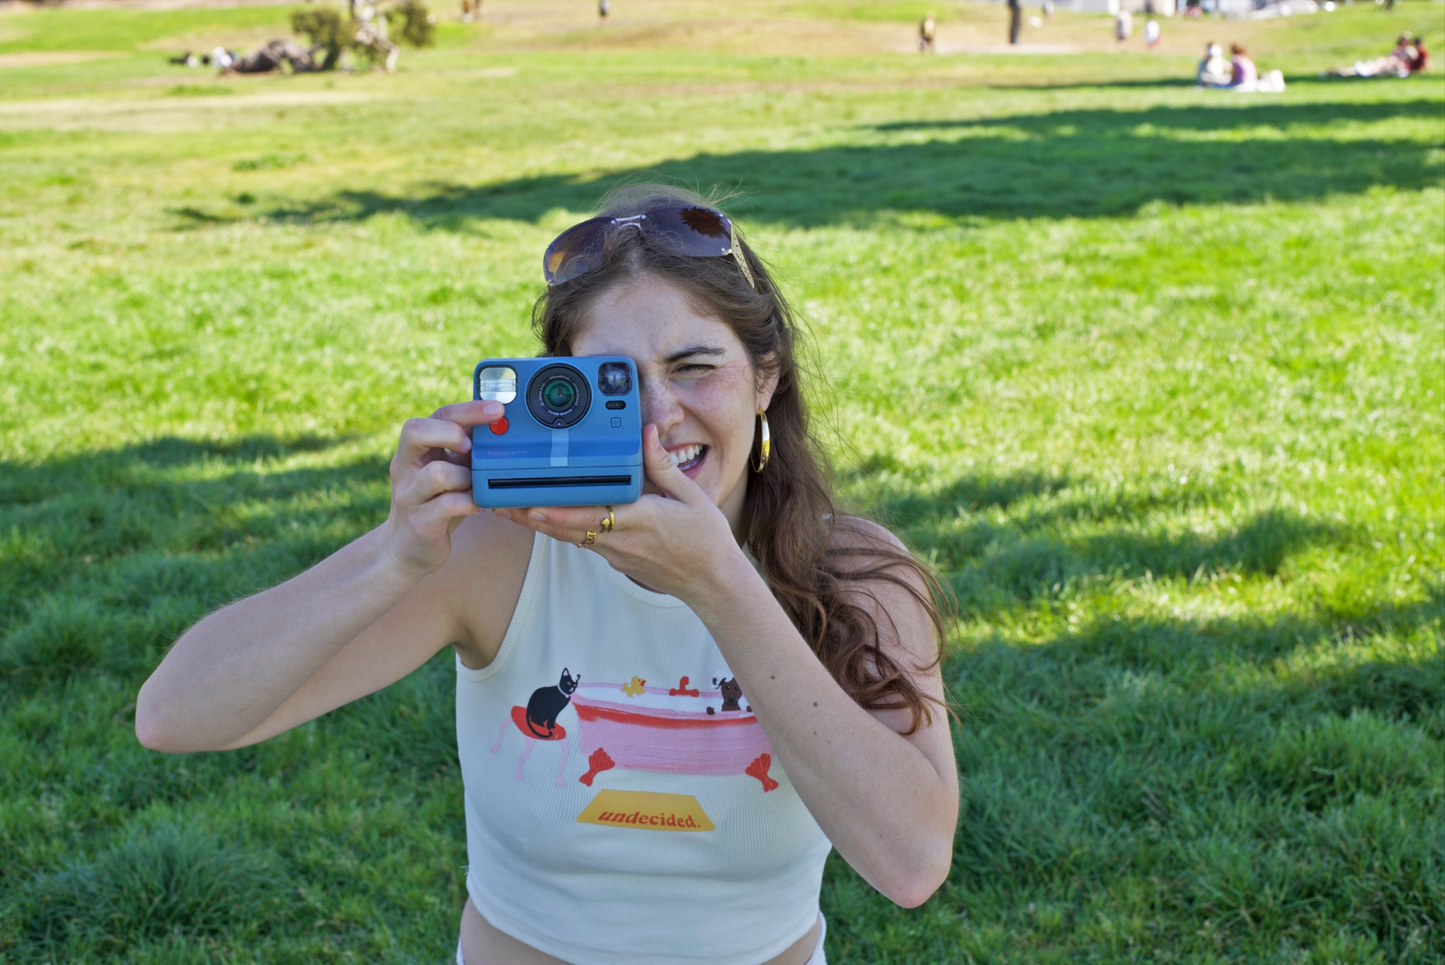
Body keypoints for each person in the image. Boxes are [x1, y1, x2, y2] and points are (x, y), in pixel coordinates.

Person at [134, 184, 960, 965]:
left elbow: (910, 861)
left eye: (693, 366)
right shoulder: (500, 553)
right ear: (550, 388)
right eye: (611, 381)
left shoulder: (854, 574)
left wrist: (719, 584)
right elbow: (176, 716)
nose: (655, 416)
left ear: (765, 377)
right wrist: (390, 557)